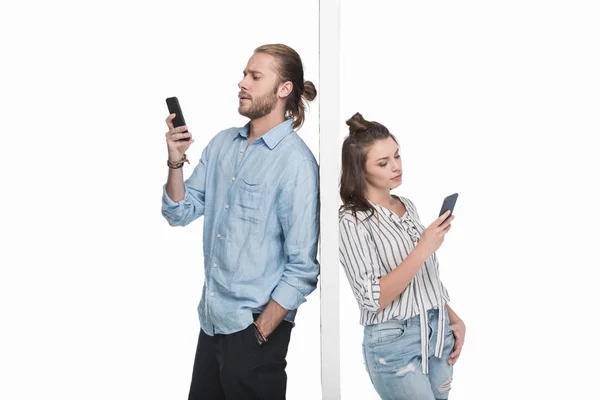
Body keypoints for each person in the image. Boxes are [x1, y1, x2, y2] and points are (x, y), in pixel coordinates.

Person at [161, 44, 320, 400]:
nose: (242, 82)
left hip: (255, 333)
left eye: (255, 76)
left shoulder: (296, 164)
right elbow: (178, 211)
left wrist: (260, 330)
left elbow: (302, 269)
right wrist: (175, 162)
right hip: (213, 322)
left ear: (284, 89)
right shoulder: (222, 145)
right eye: (245, 73)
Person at [338, 113, 466, 400]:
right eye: (383, 163)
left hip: (437, 331)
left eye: (397, 156)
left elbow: (424, 279)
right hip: (395, 341)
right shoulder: (352, 221)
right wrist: (423, 248)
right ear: (360, 170)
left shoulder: (406, 204)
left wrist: (453, 319)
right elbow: (372, 298)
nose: (396, 167)